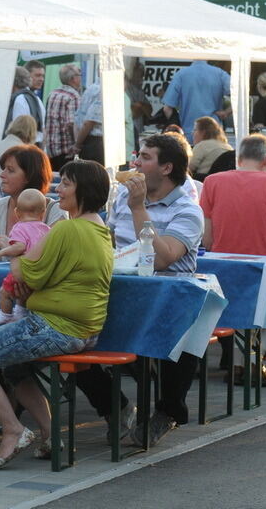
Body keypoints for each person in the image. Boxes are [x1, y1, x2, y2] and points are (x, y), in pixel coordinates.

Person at [0, 160, 112, 469]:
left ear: (84, 190)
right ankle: (50, 435)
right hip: (83, 328)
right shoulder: (99, 227)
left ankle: (13, 430)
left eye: (66, 184)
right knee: (15, 370)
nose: (59, 190)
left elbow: (28, 275)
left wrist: (12, 248)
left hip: (58, 327)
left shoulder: (68, 228)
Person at [89, 134, 204, 447]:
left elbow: (164, 257)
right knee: (64, 329)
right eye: (137, 156)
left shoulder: (188, 210)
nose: (135, 163)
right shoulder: (121, 200)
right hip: (119, 290)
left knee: (182, 323)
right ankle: (115, 405)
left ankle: (168, 410)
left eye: (145, 157)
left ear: (166, 168)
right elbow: (106, 243)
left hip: (166, 298)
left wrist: (139, 208)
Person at [200, 134, 266, 387]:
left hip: (221, 272)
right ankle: (250, 362)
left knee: (238, 314)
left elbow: (206, 239)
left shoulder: (211, 182)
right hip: (260, 272)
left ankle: (244, 363)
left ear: (238, 158)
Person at [0, 144, 66, 261]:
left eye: (10, 170)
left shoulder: (55, 212)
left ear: (29, 177)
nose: (2, 175)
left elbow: (50, 259)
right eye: (4, 169)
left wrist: (13, 249)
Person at [0, 188, 51, 326]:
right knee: (23, 292)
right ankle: (21, 312)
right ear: (43, 213)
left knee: (4, 291)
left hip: (24, 270)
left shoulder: (19, 227)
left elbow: (19, 247)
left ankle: (5, 314)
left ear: (17, 212)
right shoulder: (46, 229)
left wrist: (4, 251)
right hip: (40, 272)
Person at [161, 60, 231, 143]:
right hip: (214, 132)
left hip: (189, 133)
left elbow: (167, 108)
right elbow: (239, 95)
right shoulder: (220, 73)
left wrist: (177, 127)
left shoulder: (181, 74)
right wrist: (226, 112)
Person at [44, 64, 82, 171]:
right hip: (66, 151)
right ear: (73, 79)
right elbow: (71, 124)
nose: (80, 78)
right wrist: (76, 145)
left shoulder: (53, 93)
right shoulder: (73, 96)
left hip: (51, 150)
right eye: (79, 75)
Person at [6, 65, 45, 146]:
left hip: (23, 149)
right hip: (35, 147)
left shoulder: (20, 99)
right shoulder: (36, 98)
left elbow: (19, 131)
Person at [188, 116, 233, 180]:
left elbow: (187, 169)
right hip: (224, 182)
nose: (192, 133)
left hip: (202, 183)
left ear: (203, 132)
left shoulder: (202, 146)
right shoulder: (228, 147)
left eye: (195, 130)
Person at [73, 79, 103, 164]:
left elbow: (77, 118)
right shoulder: (102, 90)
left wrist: (77, 142)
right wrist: (78, 144)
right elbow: (90, 121)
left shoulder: (90, 89)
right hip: (96, 144)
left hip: (87, 141)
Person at [125, 60, 152, 145]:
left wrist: (140, 105)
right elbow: (131, 113)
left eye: (142, 76)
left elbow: (149, 110)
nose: (141, 80)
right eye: (139, 76)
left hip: (139, 134)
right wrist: (140, 108)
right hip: (127, 136)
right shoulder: (123, 90)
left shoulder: (138, 91)